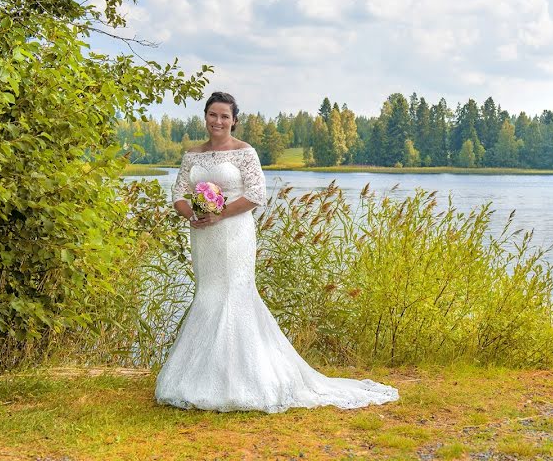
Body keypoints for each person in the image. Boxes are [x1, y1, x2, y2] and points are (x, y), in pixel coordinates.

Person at [155, 91, 399, 413]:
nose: (218, 121)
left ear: (234, 121)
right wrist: (192, 215)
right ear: (205, 117)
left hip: (233, 233)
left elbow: (257, 195)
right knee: (209, 295)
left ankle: (245, 382)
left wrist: (220, 212)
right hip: (203, 235)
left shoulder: (245, 153)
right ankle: (199, 379)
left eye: (224, 116)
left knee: (234, 297)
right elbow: (178, 192)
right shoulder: (192, 155)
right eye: (213, 115)